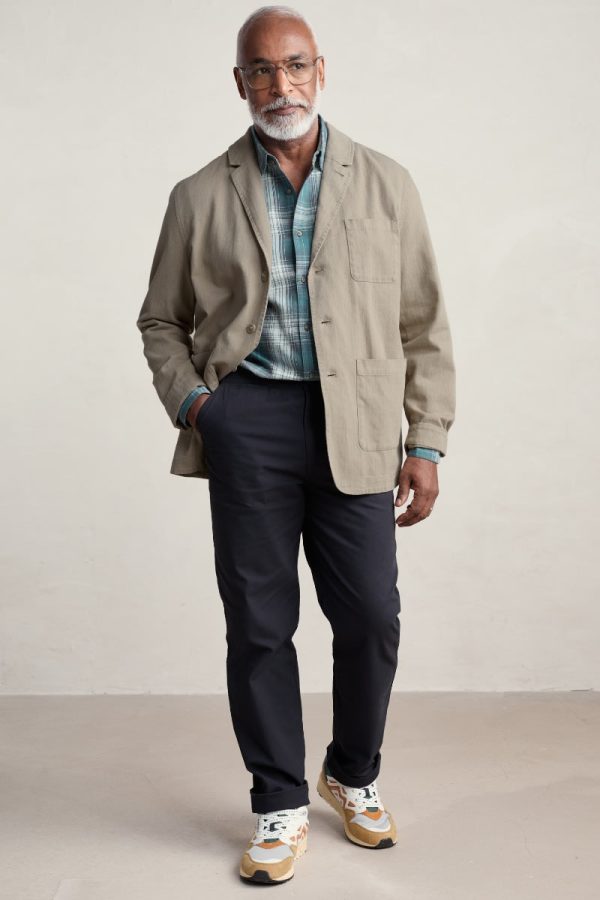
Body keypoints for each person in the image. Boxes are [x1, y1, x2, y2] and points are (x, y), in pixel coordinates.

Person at [136, 3, 456, 886]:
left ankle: (350, 773)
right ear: (240, 83)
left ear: (322, 70)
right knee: (259, 624)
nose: (282, 85)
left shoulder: (386, 183)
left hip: (359, 422)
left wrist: (427, 440)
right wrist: (201, 407)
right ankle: (277, 800)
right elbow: (161, 321)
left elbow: (424, 322)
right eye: (263, 70)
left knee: (372, 617)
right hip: (250, 425)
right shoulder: (198, 195)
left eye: (296, 65)